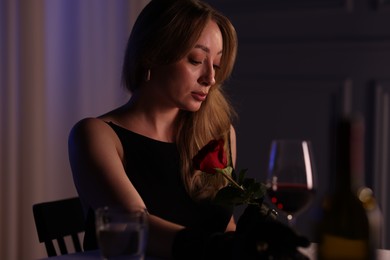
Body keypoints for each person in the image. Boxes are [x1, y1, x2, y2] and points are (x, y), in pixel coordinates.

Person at [68, 0, 309, 259]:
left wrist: (251, 239)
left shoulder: (219, 132)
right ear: (152, 54)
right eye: (196, 60)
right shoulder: (95, 134)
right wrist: (223, 247)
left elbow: (223, 224)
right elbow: (134, 226)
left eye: (215, 65)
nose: (211, 78)